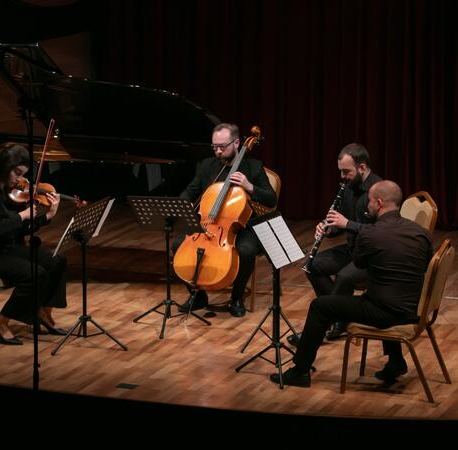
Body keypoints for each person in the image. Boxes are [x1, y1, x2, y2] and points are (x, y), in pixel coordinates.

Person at [272, 180, 433, 387]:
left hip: (387, 313)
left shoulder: (370, 234)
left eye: (369, 203)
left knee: (320, 307)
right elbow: (426, 264)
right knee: (383, 292)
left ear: (379, 203)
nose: (367, 207)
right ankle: (395, 363)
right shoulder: (420, 232)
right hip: (415, 308)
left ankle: (299, 371)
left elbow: (358, 263)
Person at [0, 145, 68, 345]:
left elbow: (19, 229)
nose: (19, 179)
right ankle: (2, 321)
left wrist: (46, 217)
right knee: (34, 273)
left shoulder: (9, 190)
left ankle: (44, 312)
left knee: (56, 259)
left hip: (5, 249)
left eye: (23, 175)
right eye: (17, 173)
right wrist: (22, 215)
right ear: (6, 166)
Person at [173, 122, 277, 317]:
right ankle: (198, 295)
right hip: (211, 224)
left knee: (246, 251)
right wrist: (179, 205)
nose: (218, 151)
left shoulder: (253, 167)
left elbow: (271, 199)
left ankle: (237, 297)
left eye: (222, 146)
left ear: (237, 143)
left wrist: (249, 186)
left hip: (243, 226)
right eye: (215, 147)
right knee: (178, 245)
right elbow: (191, 190)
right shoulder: (206, 165)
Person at [289, 143, 382, 345]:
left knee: (343, 277)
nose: (342, 176)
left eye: (346, 172)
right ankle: (340, 319)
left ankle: (324, 325)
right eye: (340, 171)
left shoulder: (379, 191)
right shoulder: (348, 188)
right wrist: (328, 227)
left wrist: (347, 223)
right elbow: (339, 223)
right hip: (351, 249)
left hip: (370, 256)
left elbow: (382, 233)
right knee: (313, 266)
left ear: (362, 168)